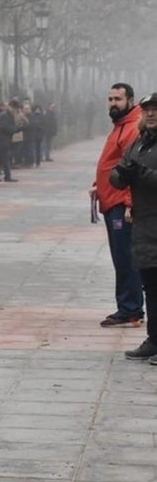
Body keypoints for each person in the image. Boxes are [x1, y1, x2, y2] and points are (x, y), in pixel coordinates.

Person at [94, 83, 144, 328]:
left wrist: (128, 204)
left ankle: (131, 308)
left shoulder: (132, 128)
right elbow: (113, 162)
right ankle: (128, 306)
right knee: (120, 255)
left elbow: (133, 170)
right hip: (110, 200)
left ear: (130, 100)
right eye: (110, 98)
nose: (113, 103)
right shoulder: (120, 126)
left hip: (120, 204)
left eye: (118, 99)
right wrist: (98, 183)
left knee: (125, 257)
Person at [111, 94, 157, 359]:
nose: (150, 114)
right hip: (144, 227)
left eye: (155, 110)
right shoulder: (139, 143)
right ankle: (154, 340)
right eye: (147, 110)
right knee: (150, 288)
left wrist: (142, 174)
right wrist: (122, 174)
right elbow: (117, 175)